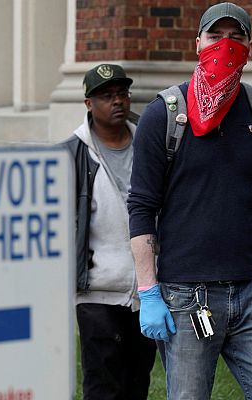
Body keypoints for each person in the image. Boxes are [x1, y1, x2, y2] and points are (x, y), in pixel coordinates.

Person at [128, 3, 252, 399]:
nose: (226, 45)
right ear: (197, 44)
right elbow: (141, 208)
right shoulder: (163, 115)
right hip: (187, 298)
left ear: (250, 48)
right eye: (215, 36)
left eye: (236, 37)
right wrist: (149, 292)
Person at [63, 64, 156, 400]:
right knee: (103, 385)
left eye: (122, 93)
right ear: (89, 103)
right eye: (106, 96)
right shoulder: (71, 154)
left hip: (148, 290)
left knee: (137, 382)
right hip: (97, 292)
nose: (117, 101)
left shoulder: (151, 143)